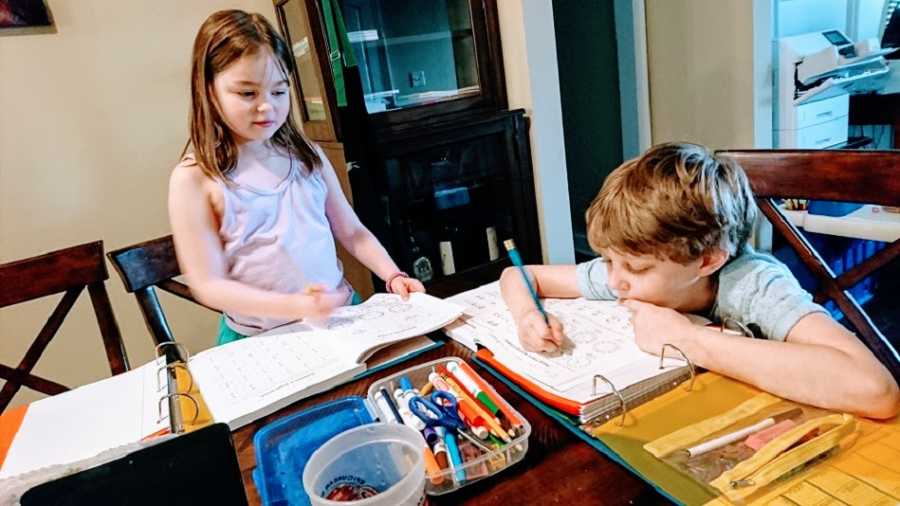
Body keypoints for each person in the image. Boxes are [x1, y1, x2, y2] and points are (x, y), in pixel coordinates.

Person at [500, 142, 899, 419]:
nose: (616, 280)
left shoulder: (753, 285)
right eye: (608, 260)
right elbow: (521, 275)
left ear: (706, 260)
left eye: (636, 269)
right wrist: (525, 317)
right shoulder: (625, 273)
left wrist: (688, 340)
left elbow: (875, 390)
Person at [169, 10, 423, 345]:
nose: (267, 107)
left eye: (278, 91)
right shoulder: (195, 179)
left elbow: (352, 231)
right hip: (260, 338)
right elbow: (208, 284)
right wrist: (294, 305)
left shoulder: (308, 157)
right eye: (247, 94)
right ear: (209, 90)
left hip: (340, 317)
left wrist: (392, 275)